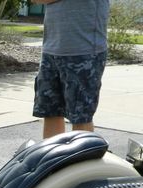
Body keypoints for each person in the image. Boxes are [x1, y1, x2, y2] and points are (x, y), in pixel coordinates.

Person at [32, 0, 110, 139]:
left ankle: (84, 154)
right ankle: (53, 153)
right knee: (51, 112)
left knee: (81, 117)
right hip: (51, 50)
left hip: (84, 52)